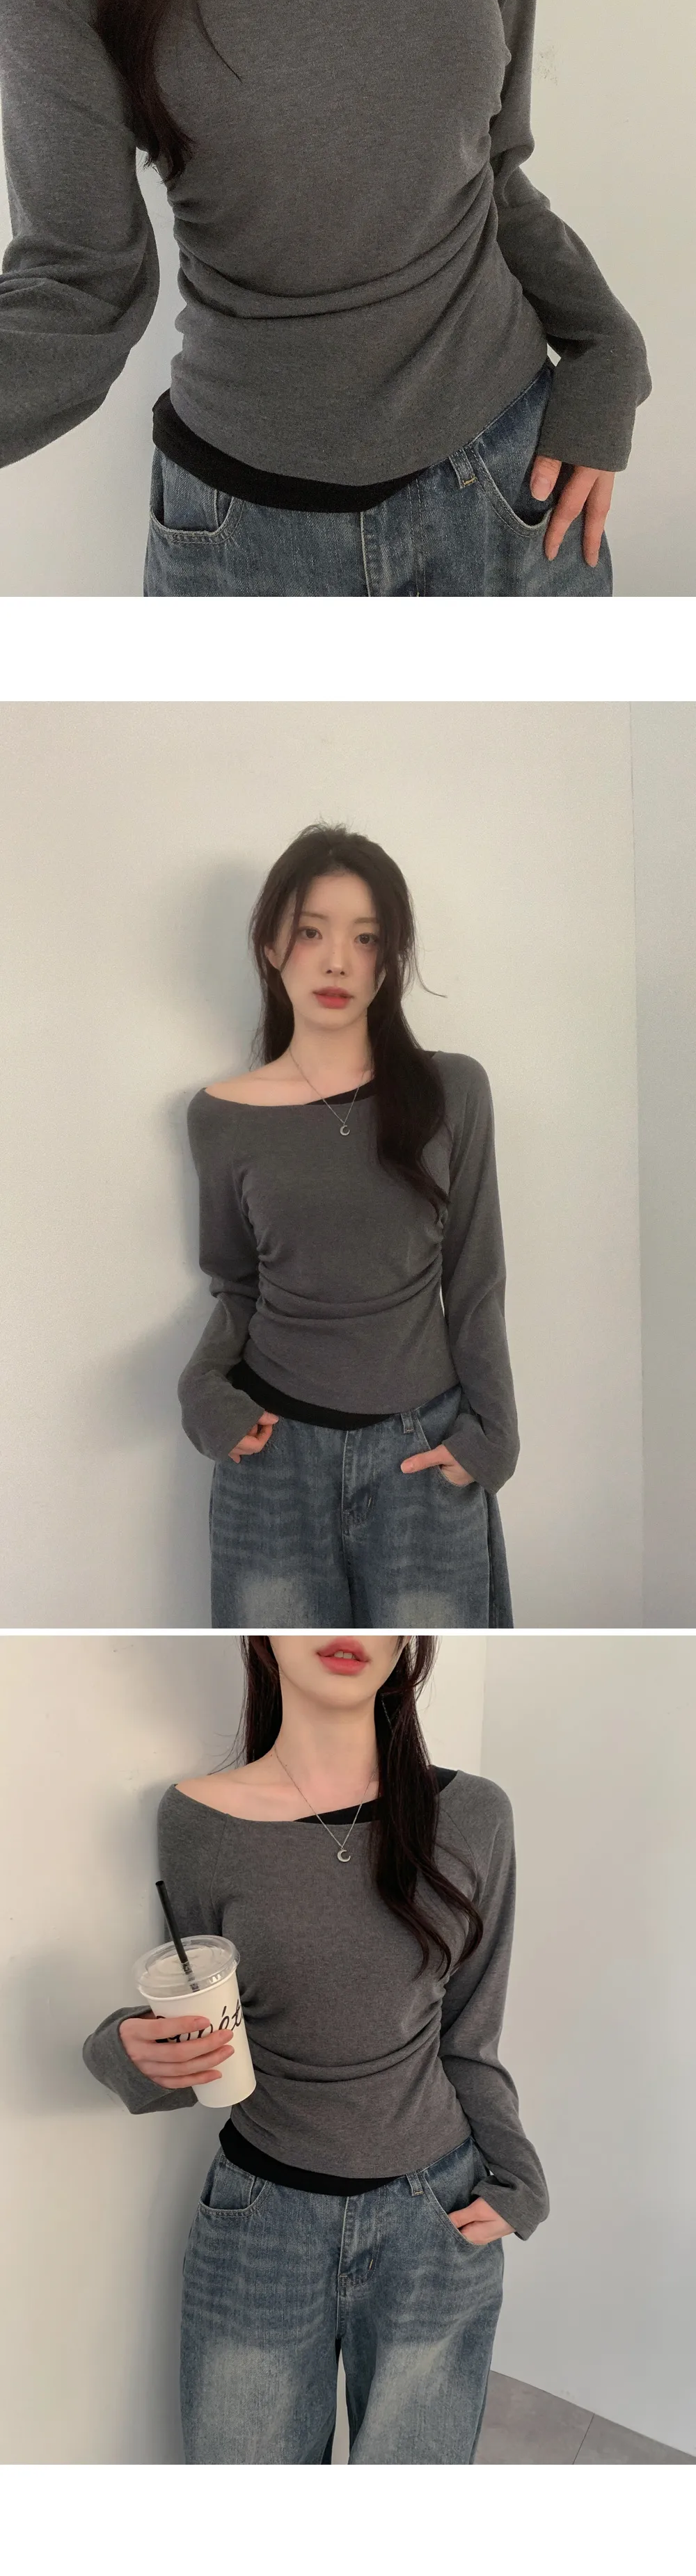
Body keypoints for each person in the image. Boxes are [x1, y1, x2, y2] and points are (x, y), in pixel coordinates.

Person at [0, 0, 650, 598]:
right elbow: (77, 282)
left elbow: (496, 169)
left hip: (515, 489)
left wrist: (608, 350)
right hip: (246, 532)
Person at [83, 1631, 548, 2465]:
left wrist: (519, 2176)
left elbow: (470, 2034)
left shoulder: (475, 1814)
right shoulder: (196, 1821)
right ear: (263, 1634)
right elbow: (207, 2021)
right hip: (260, 2222)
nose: (348, 1630)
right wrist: (123, 2051)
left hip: (436, 2220)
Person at [180, 820, 519, 1629]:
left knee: (422, 1670)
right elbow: (236, 1284)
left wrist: (493, 1437)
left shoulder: (452, 1092)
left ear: (388, 958)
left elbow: (475, 1279)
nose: (337, 960)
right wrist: (200, 1389)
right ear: (271, 944)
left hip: (424, 1454)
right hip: (273, 1461)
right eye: (311, 931)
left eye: (365, 938)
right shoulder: (220, 1117)